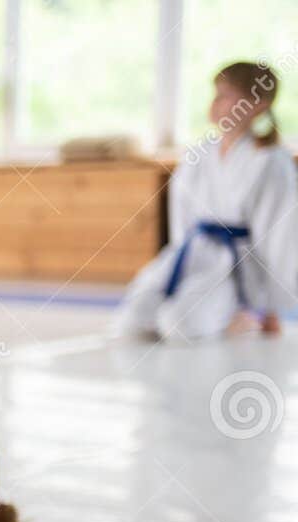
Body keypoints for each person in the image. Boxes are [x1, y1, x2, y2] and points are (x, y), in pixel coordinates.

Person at [116, 61, 297, 341]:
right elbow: (182, 220)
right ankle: (216, 311)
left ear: (257, 104)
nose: (214, 103)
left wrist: (270, 307)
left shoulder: (271, 161)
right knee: (135, 320)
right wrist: (180, 259)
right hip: (195, 252)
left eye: (225, 95)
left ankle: (244, 315)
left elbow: (279, 237)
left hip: (238, 266)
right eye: (215, 94)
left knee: (178, 325)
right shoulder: (197, 155)